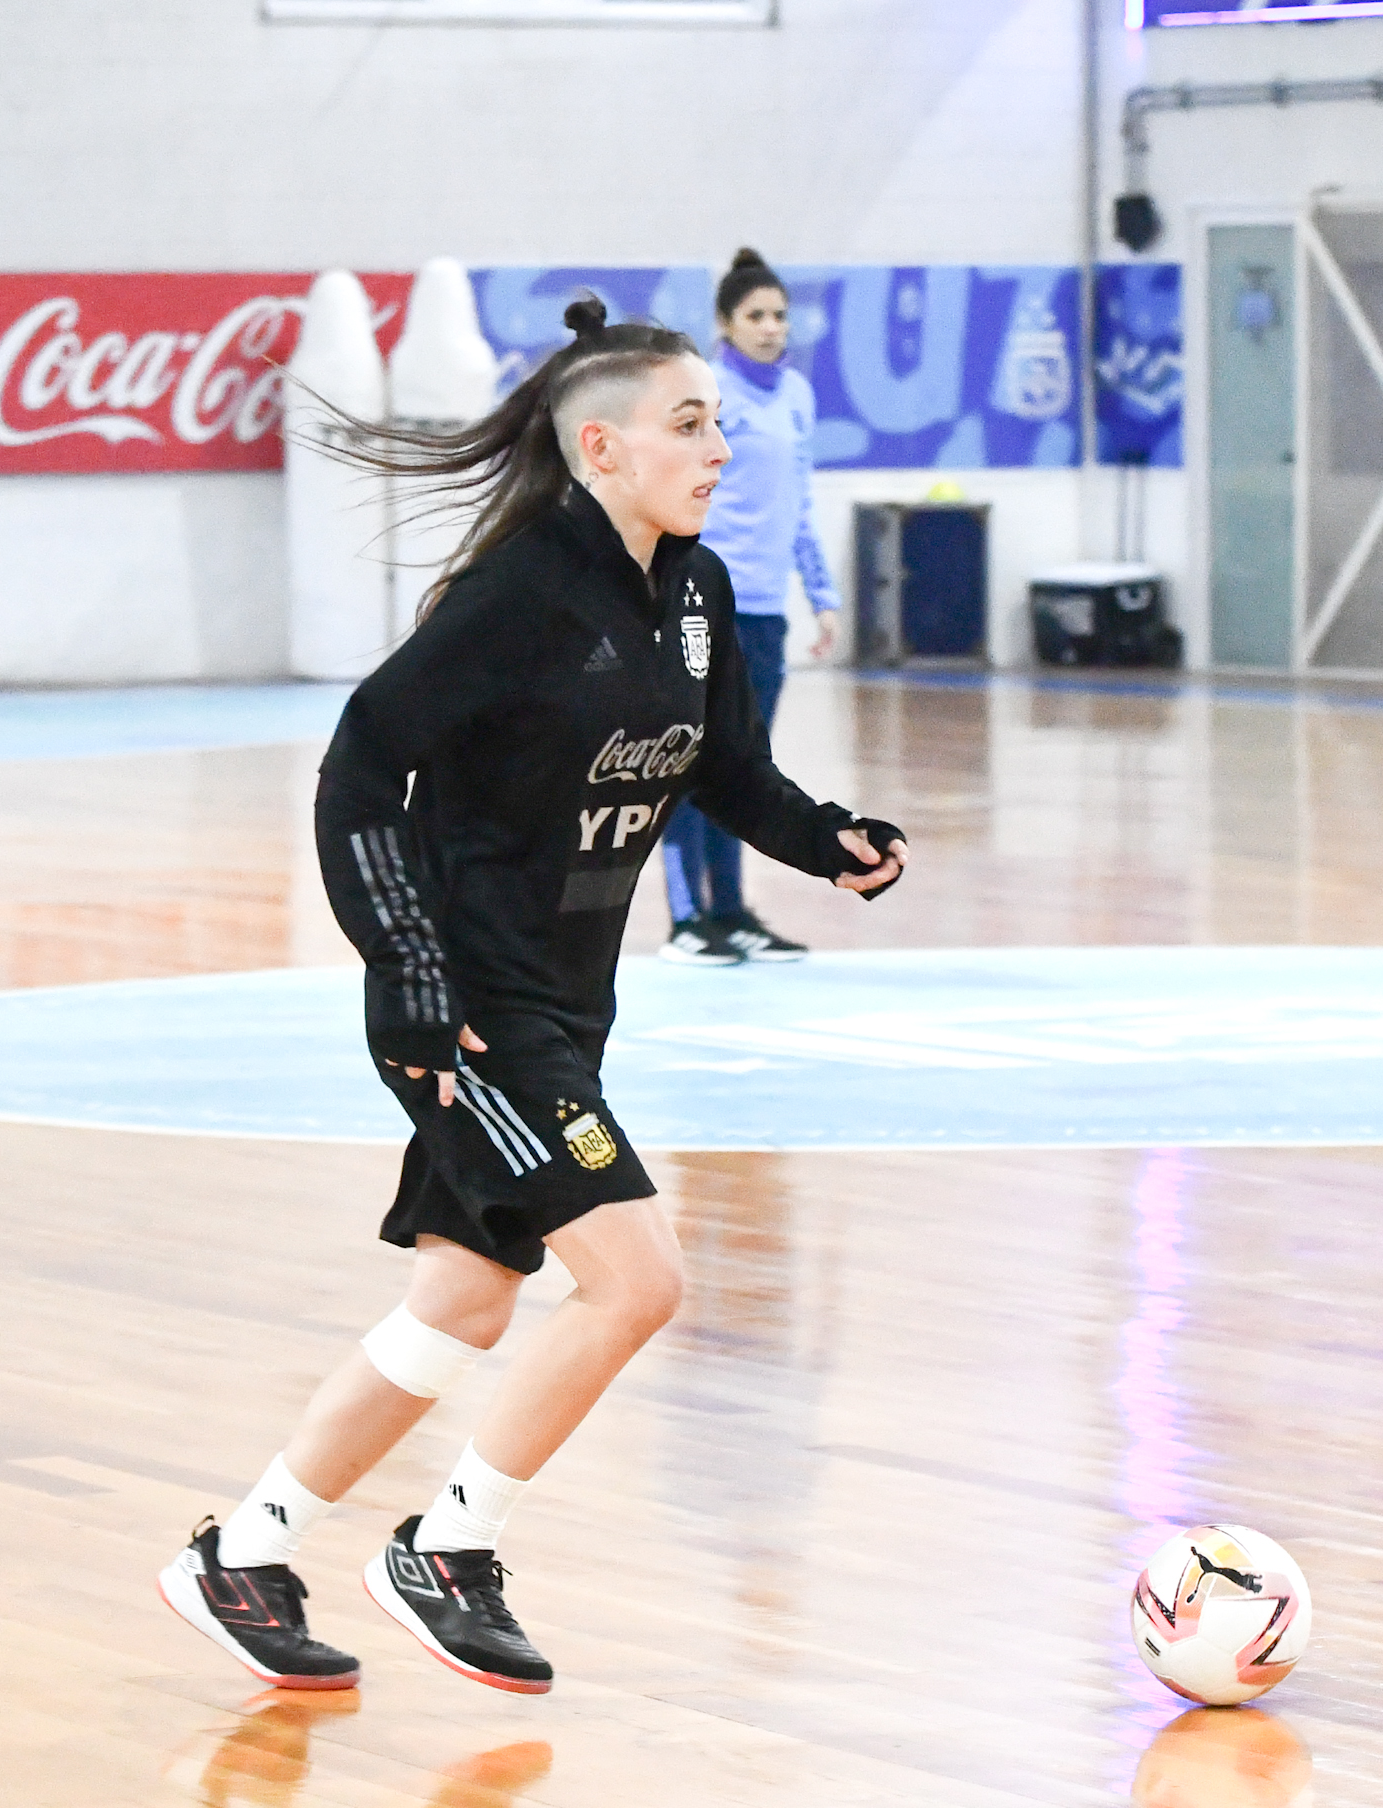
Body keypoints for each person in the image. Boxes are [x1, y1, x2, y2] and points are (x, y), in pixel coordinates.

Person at [157, 295, 907, 1694]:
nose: (718, 448)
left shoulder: (691, 590)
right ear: (604, 449)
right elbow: (357, 771)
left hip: (568, 1003)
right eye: (692, 423)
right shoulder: (517, 597)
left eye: (722, 425)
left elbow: (724, 769)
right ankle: (448, 1547)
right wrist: (415, 982)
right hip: (475, 1015)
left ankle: (243, 1553)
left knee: (464, 1298)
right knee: (637, 1280)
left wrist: (828, 840)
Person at [658, 248, 841, 967]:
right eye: (755, 316)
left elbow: (800, 502)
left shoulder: (797, 396)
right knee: (684, 761)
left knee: (744, 768)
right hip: (702, 600)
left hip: (765, 609)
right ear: (726, 325)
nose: (770, 328)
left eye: (779, 315)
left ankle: (731, 913)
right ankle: (684, 918)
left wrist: (822, 594)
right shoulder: (705, 395)